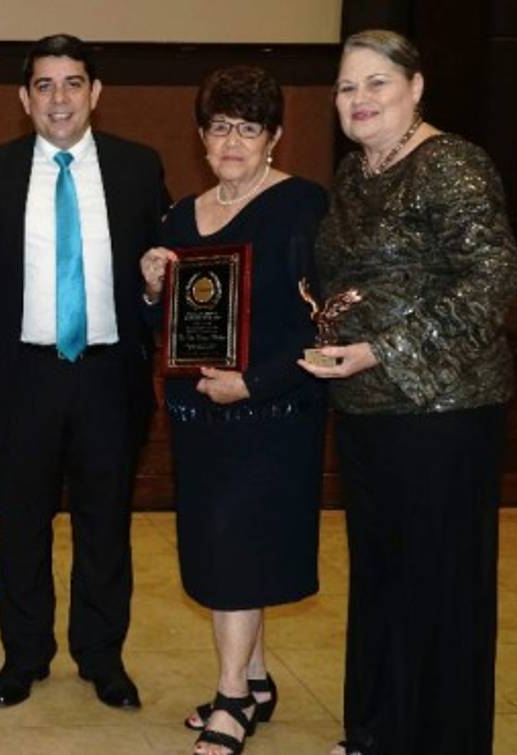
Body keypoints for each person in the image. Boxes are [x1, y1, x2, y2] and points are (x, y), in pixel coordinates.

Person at [0, 33, 167, 710]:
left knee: (106, 525)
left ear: (96, 92)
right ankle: (24, 656)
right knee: (21, 526)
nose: (59, 98)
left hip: (109, 376)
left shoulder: (138, 168)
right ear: (24, 98)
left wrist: (155, 291)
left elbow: (167, 275)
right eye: (44, 85)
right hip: (20, 378)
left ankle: (102, 656)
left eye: (72, 83)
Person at [298, 30, 517, 755]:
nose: (358, 99)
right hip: (367, 412)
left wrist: (381, 349)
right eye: (346, 86)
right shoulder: (354, 172)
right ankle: (376, 732)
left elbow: (490, 282)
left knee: (438, 589)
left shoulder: (451, 163)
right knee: (382, 581)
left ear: (415, 87)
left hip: (443, 413)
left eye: (376, 83)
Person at [141, 66, 327, 755]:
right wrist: (152, 288)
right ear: (201, 136)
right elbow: (165, 328)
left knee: (238, 554)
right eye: (220, 127)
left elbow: (325, 323)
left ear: (274, 137)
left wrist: (253, 384)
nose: (232, 142)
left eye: (249, 129)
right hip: (201, 417)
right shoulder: (179, 217)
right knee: (222, 549)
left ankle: (232, 699)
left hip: (270, 413)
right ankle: (256, 677)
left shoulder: (303, 206)